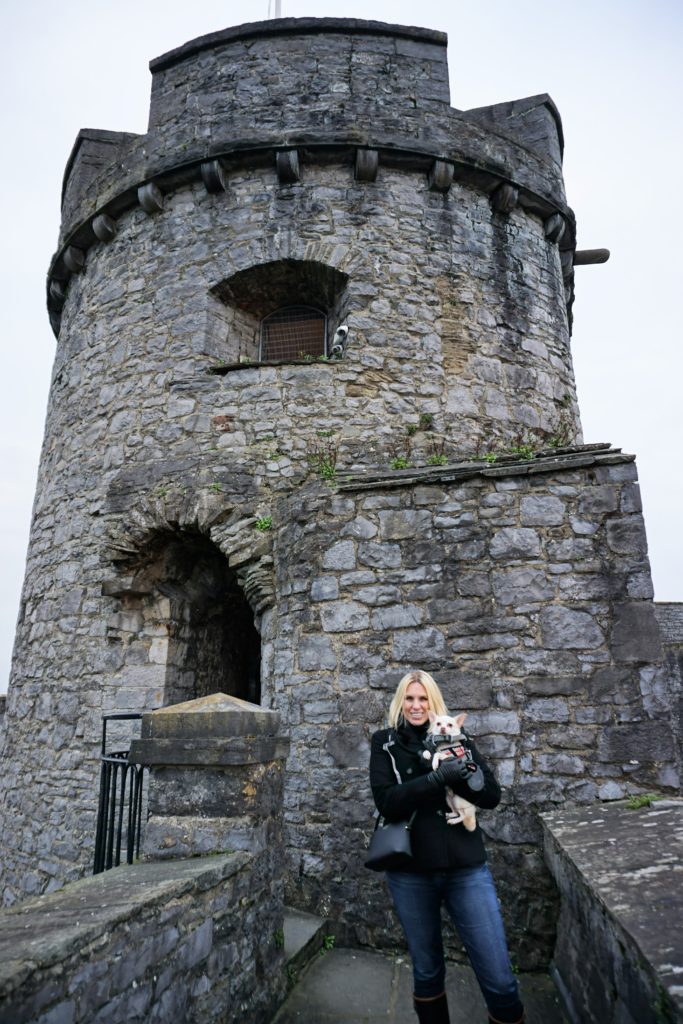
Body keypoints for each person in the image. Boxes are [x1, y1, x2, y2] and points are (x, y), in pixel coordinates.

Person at [369, 670, 524, 1024]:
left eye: (423, 699)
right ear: (400, 701)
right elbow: (387, 802)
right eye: (410, 698)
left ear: (434, 703)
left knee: (500, 980)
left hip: (465, 868)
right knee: (426, 972)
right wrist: (436, 778)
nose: (416, 705)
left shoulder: (458, 737)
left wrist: (462, 771)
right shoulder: (385, 743)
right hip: (410, 870)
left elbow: (491, 797)